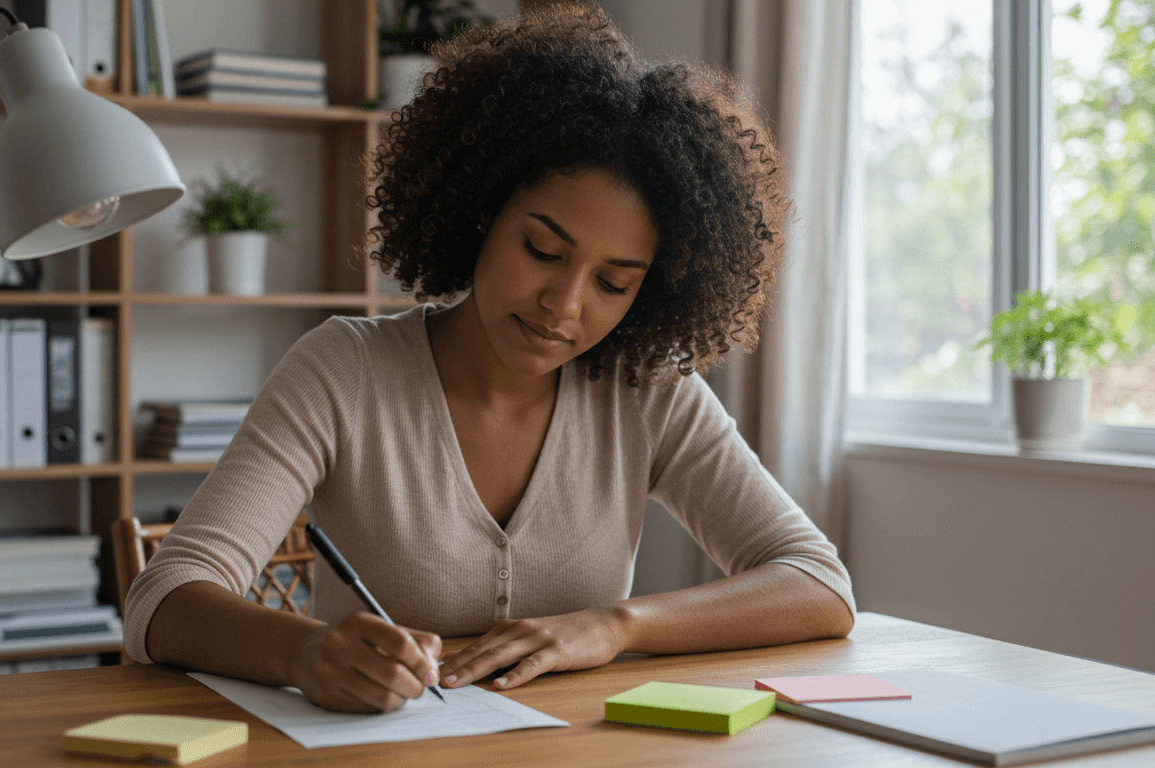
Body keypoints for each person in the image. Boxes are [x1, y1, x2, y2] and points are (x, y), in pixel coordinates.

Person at [124, 4, 854, 714]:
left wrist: (614, 624)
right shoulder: (343, 372)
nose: (564, 305)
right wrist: (305, 652)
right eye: (542, 250)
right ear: (481, 212)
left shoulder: (648, 391)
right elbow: (163, 599)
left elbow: (818, 584)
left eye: (612, 282)